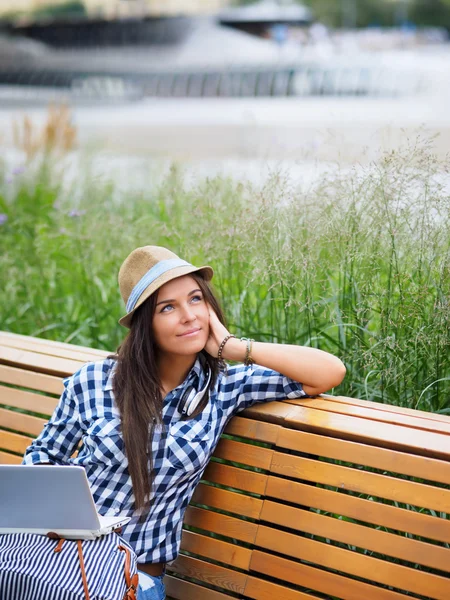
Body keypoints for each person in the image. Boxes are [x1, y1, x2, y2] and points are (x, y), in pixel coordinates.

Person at [23, 245, 346, 600]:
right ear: (146, 323)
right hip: (57, 562)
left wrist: (234, 347)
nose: (189, 316)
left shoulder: (223, 388)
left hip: (133, 579)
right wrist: (59, 515)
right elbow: (43, 454)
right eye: (168, 307)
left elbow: (329, 372)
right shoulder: (95, 380)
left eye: (195, 299)